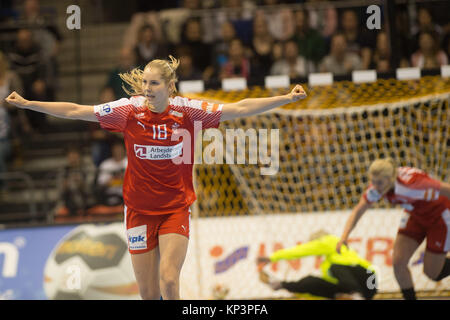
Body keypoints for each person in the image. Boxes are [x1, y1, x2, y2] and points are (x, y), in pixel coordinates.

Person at [5, 55, 307, 300]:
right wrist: (29, 104)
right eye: (145, 82)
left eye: (154, 83)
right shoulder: (129, 110)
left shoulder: (188, 111)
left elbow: (239, 107)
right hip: (138, 212)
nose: (147, 88)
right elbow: (75, 110)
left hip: (175, 208)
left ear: (169, 86)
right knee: (149, 295)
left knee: (169, 281)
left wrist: (285, 99)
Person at [337, 158, 450, 300]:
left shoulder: (415, 185)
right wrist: (344, 236)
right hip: (415, 214)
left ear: (390, 179)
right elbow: (358, 210)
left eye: (379, 183)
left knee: (432, 274)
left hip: (439, 218)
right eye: (373, 181)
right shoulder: (379, 187)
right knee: (398, 262)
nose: (375, 186)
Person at [257, 230, 377, 300]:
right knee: (311, 281)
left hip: (366, 279)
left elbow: (302, 251)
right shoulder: (327, 265)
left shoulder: (331, 241)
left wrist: (272, 257)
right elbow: (322, 290)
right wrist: (300, 292)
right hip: (366, 291)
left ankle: (354, 293)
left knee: (335, 267)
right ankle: (279, 284)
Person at [96, 141, 127, 206]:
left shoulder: (129, 162)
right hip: (109, 195)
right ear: (112, 151)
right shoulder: (105, 164)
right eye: (115, 150)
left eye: (119, 149)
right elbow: (101, 183)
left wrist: (123, 177)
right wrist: (113, 178)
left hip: (127, 194)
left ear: (124, 150)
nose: (118, 152)